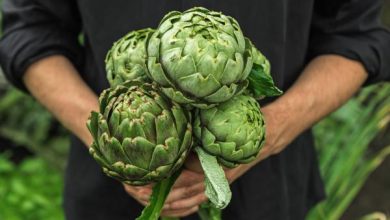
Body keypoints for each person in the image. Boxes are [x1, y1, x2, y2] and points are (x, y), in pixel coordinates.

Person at [0, 0, 389, 219]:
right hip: (107, 202)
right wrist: (116, 140)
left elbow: (356, 36)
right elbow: (30, 30)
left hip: (270, 198)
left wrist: (271, 130)